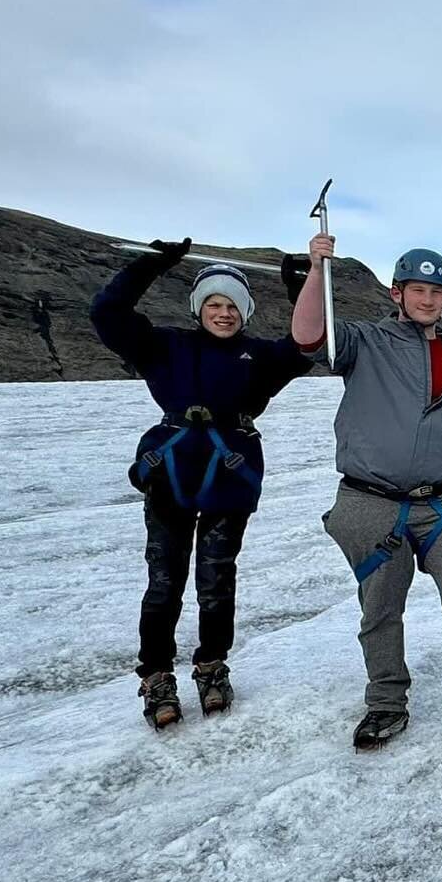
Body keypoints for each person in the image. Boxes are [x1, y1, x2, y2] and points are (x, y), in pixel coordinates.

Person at [292, 233, 442, 748]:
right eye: (417, 289)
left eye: (437, 292)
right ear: (397, 293)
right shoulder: (364, 342)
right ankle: (386, 703)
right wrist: (316, 271)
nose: (427, 299)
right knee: (382, 606)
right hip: (372, 501)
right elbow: (307, 336)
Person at [91, 239, 309, 729]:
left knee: (216, 580)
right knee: (164, 582)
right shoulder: (165, 346)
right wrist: (153, 263)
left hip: (229, 475)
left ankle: (211, 664)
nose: (223, 313)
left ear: (246, 311)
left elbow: (306, 345)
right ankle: (157, 676)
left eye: (233, 305)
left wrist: (300, 286)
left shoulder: (260, 356)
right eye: (213, 303)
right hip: (171, 475)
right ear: (198, 308)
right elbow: (108, 312)